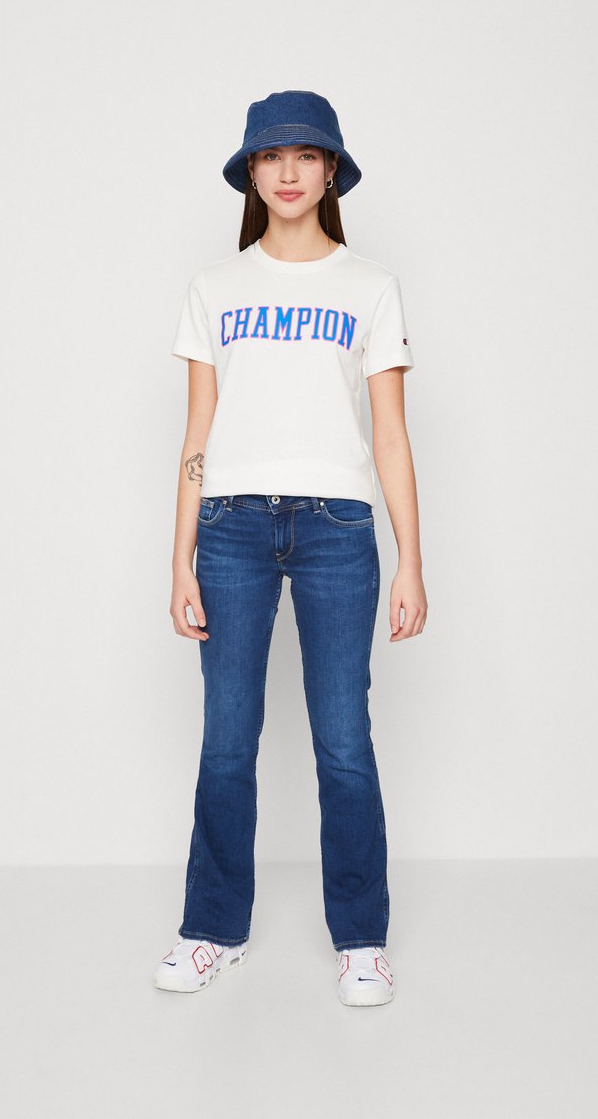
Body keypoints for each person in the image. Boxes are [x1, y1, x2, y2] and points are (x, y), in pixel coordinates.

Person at [154, 90, 427, 1007]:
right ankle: (211, 929)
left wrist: (412, 559)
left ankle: (361, 939)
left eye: (306, 155)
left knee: (343, 740)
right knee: (227, 740)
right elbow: (198, 430)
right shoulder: (215, 288)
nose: (288, 172)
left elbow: (390, 434)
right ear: (250, 172)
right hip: (229, 526)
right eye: (271, 157)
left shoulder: (370, 286)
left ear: (332, 171)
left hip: (336, 529)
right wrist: (181, 555)